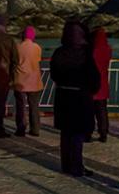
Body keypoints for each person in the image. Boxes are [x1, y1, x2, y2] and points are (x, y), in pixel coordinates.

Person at [50, 20, 100, 177]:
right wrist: (90, 90)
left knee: (66, 133)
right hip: (79, 97)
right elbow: (93, 78)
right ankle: (77, 166)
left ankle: (67, 164)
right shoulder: (84, 55)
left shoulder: (59, 52)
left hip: (63, 96)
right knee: (77, 133)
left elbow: (54, 74)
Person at [12, 26, 43, 137]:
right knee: (34, 105)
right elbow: (38, 60)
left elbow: (14, 61)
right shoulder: (37, 47)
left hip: (20, 80)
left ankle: (21, 128)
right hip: (34, 80)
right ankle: (35, 129)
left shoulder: (17, 47)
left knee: (20, 106)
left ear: (23, 35)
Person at [88, 27, 112, 142]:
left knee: (90, 111)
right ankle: (104, 132)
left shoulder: (92, 50)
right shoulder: (108, 49)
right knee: (102, 110)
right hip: (103, 84)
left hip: (92, 83)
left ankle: (88, 132)